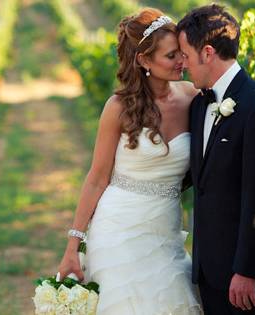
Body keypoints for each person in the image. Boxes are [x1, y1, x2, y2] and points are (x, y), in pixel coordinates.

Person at [57, 8, 202, 314]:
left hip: (166, 232)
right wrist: (74, 245)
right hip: (118, 231)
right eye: (171, 55)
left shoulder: (192, 97)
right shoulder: (118, 107)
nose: (181, 61)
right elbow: (97, 177)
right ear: (143, 60)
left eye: (182, 53)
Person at [177, 4, 255, 315]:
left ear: (208, 52)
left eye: (185, 55)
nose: (183, 64)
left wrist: (247, 271)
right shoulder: (200, 105)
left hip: (244, 282)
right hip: (208, 270)